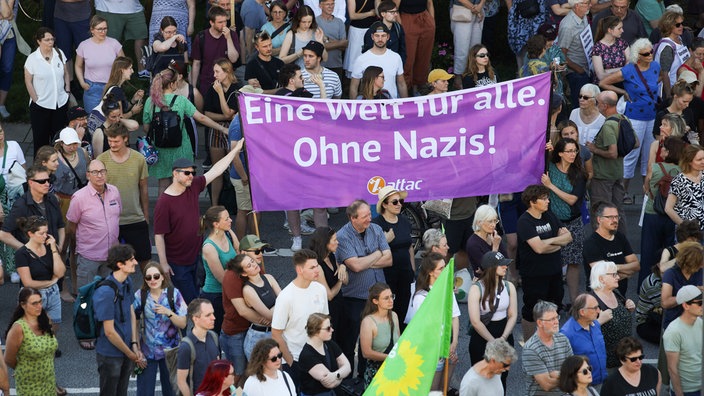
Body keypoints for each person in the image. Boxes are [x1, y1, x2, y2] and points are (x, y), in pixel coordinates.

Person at [153, 141, 244, 304]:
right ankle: (195, 327)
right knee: (194, 303)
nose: (191, 176)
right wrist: (164, 263)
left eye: (193, 173)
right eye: (187, 173)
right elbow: (159, 235)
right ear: (175, 174)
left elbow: (216, 170)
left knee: (200, 296)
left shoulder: (193, 186)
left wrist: (235, 150)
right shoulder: (164, 202)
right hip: (178, 264)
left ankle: (202, 326)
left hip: (197, 257)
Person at [143, 69, 232, 194]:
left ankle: (163, 211)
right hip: (181, 148)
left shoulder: (150, 101)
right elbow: (201, 117)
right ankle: (182, 212)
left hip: (160, 149)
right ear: (172, 84)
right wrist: (222, 128)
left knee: (163, 184)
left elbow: (146, 128)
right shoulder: (181, 100)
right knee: (183, 183)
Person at [599, 39, 660, 200]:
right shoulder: (628, 70)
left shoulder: (655, 66)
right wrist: (623, 92)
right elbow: (604, 82)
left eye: (651, 51)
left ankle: (646, 190)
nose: (650, 55)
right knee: (631, 154)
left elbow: (657, 79)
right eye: (646, 53)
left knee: (649, 155)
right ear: (637, 56)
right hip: (635, 117)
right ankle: (622, 192)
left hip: (652, 116)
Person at [334, 199, 391, 372]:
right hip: (355, 298)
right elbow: (356, 266)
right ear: (353, 218)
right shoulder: (342, 237)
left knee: (373, 342)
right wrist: (377, 253)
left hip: (377, 297)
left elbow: (389, 259)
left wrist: (364, 261)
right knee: (349, 342)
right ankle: (348, 382)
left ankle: (364, 378)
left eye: (369, 214)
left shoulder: (376, 229)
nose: (370, 218)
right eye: (365, 216)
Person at [516, 184, 572, 340]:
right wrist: (557, 243)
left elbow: (568, 237)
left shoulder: (549, 215)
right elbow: (539, 249)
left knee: (554, 309)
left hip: (554, 272)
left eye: (547, 198)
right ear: (532, 202)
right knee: (532, 311)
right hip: (534, 275)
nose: (548, 201)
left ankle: (551, 342)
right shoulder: (525, 221)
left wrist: (548, 242)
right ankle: (528, 345)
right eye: (544, 199)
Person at [271, 249, 329, 388]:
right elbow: (276, 334)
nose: (317, 270)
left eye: (317, 266)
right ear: (299, 270)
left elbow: (325, 320)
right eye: (312, 267)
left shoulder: (320, 289)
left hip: (319, 356)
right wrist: (291, 362)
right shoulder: (286, 297)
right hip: (296, 360)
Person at [93, 244, 145, 396]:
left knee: (122, 392)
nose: (135, 262)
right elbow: (109, 332)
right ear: (120, 264)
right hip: (110, 354)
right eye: (131, 260)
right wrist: (130, 353)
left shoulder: (127, 282)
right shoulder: (106, 292)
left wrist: (134, 344)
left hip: (127, 349)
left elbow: (131, 312)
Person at [97, 123, 151, 269]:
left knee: (144, 260)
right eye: (110, 141)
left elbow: (144, 188)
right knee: (112, 263)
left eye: (116, 141)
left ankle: (147, 290)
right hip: (110, 220)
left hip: (135, 218)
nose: (112, 144)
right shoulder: (101, 160)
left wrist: (146, 215)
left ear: (126, 139)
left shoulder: (139, 159)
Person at [0, 165, 65, 286]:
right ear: (30, 183)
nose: (47, 184)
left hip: (53, 259)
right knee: (32, 299)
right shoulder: (21, 205)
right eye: (42, 181)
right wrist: (27, 250)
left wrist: (59, 246)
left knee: (54, 295)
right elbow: (3, 234)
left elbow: (61, 225)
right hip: (34, 265)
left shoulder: (52, 199)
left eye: (48, 180)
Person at [541, 137, 588, 303]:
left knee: (573, 262)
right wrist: (546, 149)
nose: (572, 154)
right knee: (553, 261)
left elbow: (572, 199)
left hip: (573, 222)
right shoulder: (550, 168)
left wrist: (551, 186)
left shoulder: (580, 174)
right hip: (552, 222)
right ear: (560, 153)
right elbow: (539, 160)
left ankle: (574, 301)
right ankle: (553, 301)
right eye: (568, 151)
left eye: (574, 151)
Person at [405, 253, 460, 391]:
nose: (444, 271)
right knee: (433, 391)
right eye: (440, 268)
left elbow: (455, 316)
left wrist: (454, 343)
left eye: (445, 267)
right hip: (431, 351)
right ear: (430, 272)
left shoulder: (448, 290)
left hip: (448, 347)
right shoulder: (421, 297)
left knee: (444, 389)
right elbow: (425, 329)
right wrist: (442, 347)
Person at [133, 262, 188, 396]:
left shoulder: (173, 294)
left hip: (170, 351)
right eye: (149, 277)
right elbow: (134, 321)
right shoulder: (140, 295)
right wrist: (136, 347)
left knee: (171, 392)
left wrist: (168, 312)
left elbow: (183, 323)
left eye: (156, 276)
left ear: (163, 277)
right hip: (148, 351)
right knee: (144, 392)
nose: (153, 280)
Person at [66, 160, 121, 289]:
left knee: (108, 295)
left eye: (102, 171)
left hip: (111, 255)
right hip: (89, 257)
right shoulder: (79, 198)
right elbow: (71, 226)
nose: (99, 175)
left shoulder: (114, 192)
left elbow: (117, 215)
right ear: (88, 175)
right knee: (86, 299)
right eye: (95, 172)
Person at [467, 251, 517, 390]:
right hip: (482, 338)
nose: (505, 267)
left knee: (502, 378)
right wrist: (494, 341)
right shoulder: (476, 289)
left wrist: (503, 337)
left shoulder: (509, 286)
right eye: (502, 265)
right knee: (482, 379)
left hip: (504, 335)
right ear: (491, 268)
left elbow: (512, 315)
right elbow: (475, 321)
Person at [640, 135, 685, 285]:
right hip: (673, 216)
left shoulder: (655, 168)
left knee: (648, 253)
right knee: (671, 253)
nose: (662, 151)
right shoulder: (683, 172)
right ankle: (668, 286)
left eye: (664, 149)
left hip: (652, 213)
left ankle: (645, 287)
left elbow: (646, 189)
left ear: (669, 152)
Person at [14, 216, 66, 339]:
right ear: (30, 234)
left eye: (46, 232)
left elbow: (61, 272)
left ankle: (49, 344)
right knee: (33, 326)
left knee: (54, 323)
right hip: (33, 294)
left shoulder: (49, 247)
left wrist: (54, 248)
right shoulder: (22, 254)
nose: (45, 236)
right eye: (41, 233)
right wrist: (51, 282)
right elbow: (27, 282)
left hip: (53, 293)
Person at [3, 287, 60, 396]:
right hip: (29, 384)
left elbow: (51, 346)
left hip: (49, 380)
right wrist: (22, 369)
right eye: (34, 303)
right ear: (23, 305)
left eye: (40, 302)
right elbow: (8, 359)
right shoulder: (18, 328)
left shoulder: (45, 319)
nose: (39, 306)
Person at [24, 27, 70, 155]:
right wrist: (35, 99)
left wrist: (67, 91)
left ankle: (60, 169)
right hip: (41, 106)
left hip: (60, 104)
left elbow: (66, 73)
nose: (51, 42)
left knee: (59, 140)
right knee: (41, 142)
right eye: (47, 39)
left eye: (52, 39)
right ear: (39, 41)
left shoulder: (59, 53)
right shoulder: (32, 59)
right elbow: (28, 81)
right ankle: (40, 170)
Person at [372, 186, 413, 326]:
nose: (399, 204)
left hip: (405, 273)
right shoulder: (376, 225)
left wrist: (412, 269)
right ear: (384, 204)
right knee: (387, 311)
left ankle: (398, 339)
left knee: (403, 308)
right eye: (395, 202)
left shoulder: (404, 221)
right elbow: (370, 252)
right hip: (386, 275)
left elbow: (409, 247)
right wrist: (386, 241)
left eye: (401, 201)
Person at [230, 252, 281, 359]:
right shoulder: (248, 290)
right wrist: (278, 308)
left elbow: (285, 302)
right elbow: (270, 315)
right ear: (244, 274)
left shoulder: (269, 277)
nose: (253, 265)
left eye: (252, 261)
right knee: (260, 374)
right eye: (249, 266)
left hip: (275, 332)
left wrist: (276, 310)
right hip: (258, 337)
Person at [583, 201, 640, 295]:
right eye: (610, 217)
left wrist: (615, 267)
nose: (615, 220)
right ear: (599, 219)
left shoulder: (620, 237)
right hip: (600, 296)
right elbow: (602, 274)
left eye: (617, 217)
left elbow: (636, 265)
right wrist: (626, 273)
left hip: (621, 295)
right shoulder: (591, 243)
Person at [200, 205, 239, 334]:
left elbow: (238, 253)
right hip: (216, 296)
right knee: (216, 334)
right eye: (226, 219)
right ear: (216, 224)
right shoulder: (209, 247)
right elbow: (222, 278)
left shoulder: (228, 233)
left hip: (231, 289)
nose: (231, 220)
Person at [589, 261, 636, 369]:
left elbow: (620, 317)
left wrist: (629, 309)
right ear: (601, 279)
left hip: (626, 355)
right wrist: (599, 321)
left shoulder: (616, 293)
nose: (618, 277)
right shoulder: (590, 301)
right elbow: (580, 332)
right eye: (614, 274)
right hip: (607, 361)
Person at [203, 59, 237, 206]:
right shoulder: (213, 88)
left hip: (233, 129)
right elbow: (207, 113)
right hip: (216, 128)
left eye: (217, 71)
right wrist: (225, 117)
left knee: (234, 168)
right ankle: (214, 205)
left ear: (227, 71)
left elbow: (229, 111)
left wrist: (221, 94)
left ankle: (236, 203)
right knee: (217, 169)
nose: (214, 74)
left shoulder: (237, 88)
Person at [522, 301, 574, 395]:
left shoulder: (563, 339)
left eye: (557, 317)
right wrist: (566, 377)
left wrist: (556, 375)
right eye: (552, 319)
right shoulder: (531, 349)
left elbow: (574, 369)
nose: (557, 322)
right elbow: (547, 385)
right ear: (540, 323)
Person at [75, 15, 124, 113]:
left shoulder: (114, 44)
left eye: (105, 28)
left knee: (113, 119)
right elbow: (78, 65)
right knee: (93, 119)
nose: (103, 31)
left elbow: (124, 64)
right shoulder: (84, 45)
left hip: (111, 86)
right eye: (100, 29)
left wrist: (120, 82)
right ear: (92, 30)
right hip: (92, 87)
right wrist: (82, 82)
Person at [349, 21, 407, 99]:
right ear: (372, 37)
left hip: (391, 105)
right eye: (377, 36)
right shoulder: (361, 59)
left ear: (388, 37)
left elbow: (401, 84)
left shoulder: (396, 57)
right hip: (368, 105)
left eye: (383, 36)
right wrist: (354, 108)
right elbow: (354, 87)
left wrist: (406, 106)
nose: (380, 39)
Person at [559, 294, 608, 386]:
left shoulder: (594, 324)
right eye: (595, 308)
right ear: (582, 312)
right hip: (584, 386)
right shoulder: (566, 334)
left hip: (603, 379)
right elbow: (564, 365)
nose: (599, 310)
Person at [663, 285, 702, 396]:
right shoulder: (673, 331)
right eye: (699, 303)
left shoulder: (700, 323)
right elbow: (672, 369)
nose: (702, 306)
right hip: (687, 390)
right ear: (686, 305)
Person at [308, 227, 347, 341]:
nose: (337, 242)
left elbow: (346, 280)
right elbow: (329, 295)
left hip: (339, 305)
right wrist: (340, 279)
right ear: (325, 243)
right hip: (327, 311)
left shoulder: (330, 255)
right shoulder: (317, 266)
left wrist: (343, 267)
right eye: (334, 240)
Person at [298, 313, 351, 394]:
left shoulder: (330, 343)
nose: (332, 330)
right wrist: (342, 374)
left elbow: (348, 367)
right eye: (328, 328)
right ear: (316, 331)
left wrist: (336, 375)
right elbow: (330, 384)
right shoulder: (307, 355)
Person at [190, 6, 240, 93]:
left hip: (226, 84)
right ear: (211, 23)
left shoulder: (231, 35)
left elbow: (234, 59)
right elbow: (196, 63)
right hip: (206, 83)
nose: (224, 25)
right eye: (220, 22)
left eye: (225, 21)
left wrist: (228, 38)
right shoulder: (201, 37)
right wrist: (193, 87)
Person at [360, 282, 400, 387]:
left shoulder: (394, 316)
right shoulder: (368, 322)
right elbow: (366, 353)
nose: (391, 300)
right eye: (386, 298)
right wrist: (390, 358)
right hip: (376, 374)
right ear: (375, 301)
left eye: (392, 296)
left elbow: (399, 343)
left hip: (394, 371)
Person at [177, 299, 221, 396]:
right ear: (195, 319)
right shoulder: (186, 347)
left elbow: (219, 369)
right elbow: (181, 382)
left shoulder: (214, 337)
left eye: (213, 314)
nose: (213, 318)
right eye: (208, 315)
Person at [661, 241, 704, 330]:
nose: (702, 266)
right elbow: (665, 303)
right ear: (691, 263)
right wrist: (692, 291)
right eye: (700, 263)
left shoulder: (700, 271)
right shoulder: (671, 274)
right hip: (675, 322)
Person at [559, 0, 593, 109]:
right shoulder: (568, 26)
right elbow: (560, 53)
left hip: (587, 66)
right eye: (587, 3)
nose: (590, 5)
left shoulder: (583, 17)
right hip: (577, 72)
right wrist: (578, 69)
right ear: (577, 6)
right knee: (580, 105)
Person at [665, 144, 704, 230]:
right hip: (688, 234)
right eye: (699, 160)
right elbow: (668, 208)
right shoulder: (679, 181)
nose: (703, 162)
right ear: (689, 161)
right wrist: (684, 226)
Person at [465, 205, 508, 278]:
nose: (493, 225)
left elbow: (506, 260)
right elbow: (489, 270)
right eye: (490, 221)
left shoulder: (494, 236)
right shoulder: (473, 244)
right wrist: (495, 248)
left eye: (495, 221)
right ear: (479, 223)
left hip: (498, 279)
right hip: (484, 283)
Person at [655, 11, 688, 100]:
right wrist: (669, 96)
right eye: (677, 25)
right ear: (669, 26)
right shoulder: (667, 47)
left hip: (682, 88)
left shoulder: (679, 39)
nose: (681, 26)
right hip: (672, 91)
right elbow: (664, 74)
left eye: (682, 23)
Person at [592, 16, 629, 84]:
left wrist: (608, 71)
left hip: (623, 82)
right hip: (605, 84)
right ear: (610, 30)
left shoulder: (623, 43)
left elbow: (630, 66)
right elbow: (600, 75)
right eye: (619, 28)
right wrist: (622, 70)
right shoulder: (597, 48)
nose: (622, 31)